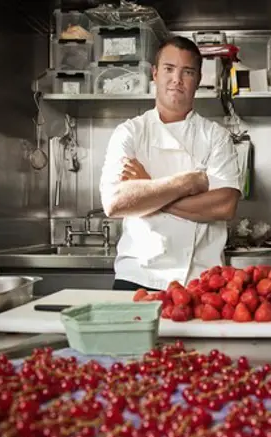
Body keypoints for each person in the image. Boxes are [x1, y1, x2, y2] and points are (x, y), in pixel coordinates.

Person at [99, 36, 241, 292]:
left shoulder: (216, 136)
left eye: (187, 72)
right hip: (137, 276)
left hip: (202, 280)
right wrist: (188, 182)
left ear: (197, 80)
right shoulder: (130, 132)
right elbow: (115, 201)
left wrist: (148, 191)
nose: (177, 79)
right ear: (154, 74)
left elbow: (225, 205)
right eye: (168, 69)